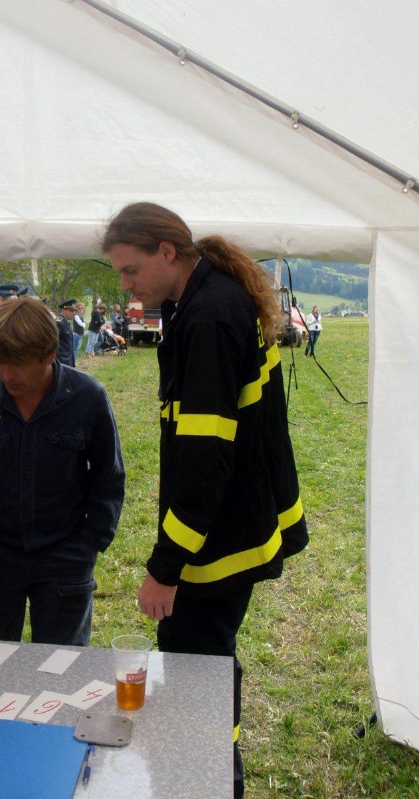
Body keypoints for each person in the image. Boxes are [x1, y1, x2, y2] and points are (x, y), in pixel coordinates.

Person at [102, 202, 309, 799]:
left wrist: (166, 567)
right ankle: (211, 771)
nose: (126, 285)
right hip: (234, 517)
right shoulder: (206, 299)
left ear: (167, 251)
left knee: (195, 665)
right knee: (209, 660)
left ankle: (209, 779)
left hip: (219, 534)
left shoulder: (209, 315)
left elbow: (205, 457)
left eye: (130, 269)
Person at [0, 297, 125, 645]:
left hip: (65, 555)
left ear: (49, 354)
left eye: (19, 364)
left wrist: (92, 541)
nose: (7, 375)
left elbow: (109, 474)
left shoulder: (86, 396)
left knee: (62, 664)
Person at [55, 299, 78, 367]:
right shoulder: (59, 322)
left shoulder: (65, 321)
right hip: (61, 360)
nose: (74, 313)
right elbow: (54, 342)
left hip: (67, 359)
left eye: (74, 311)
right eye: (71, 311)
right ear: (63, 310)